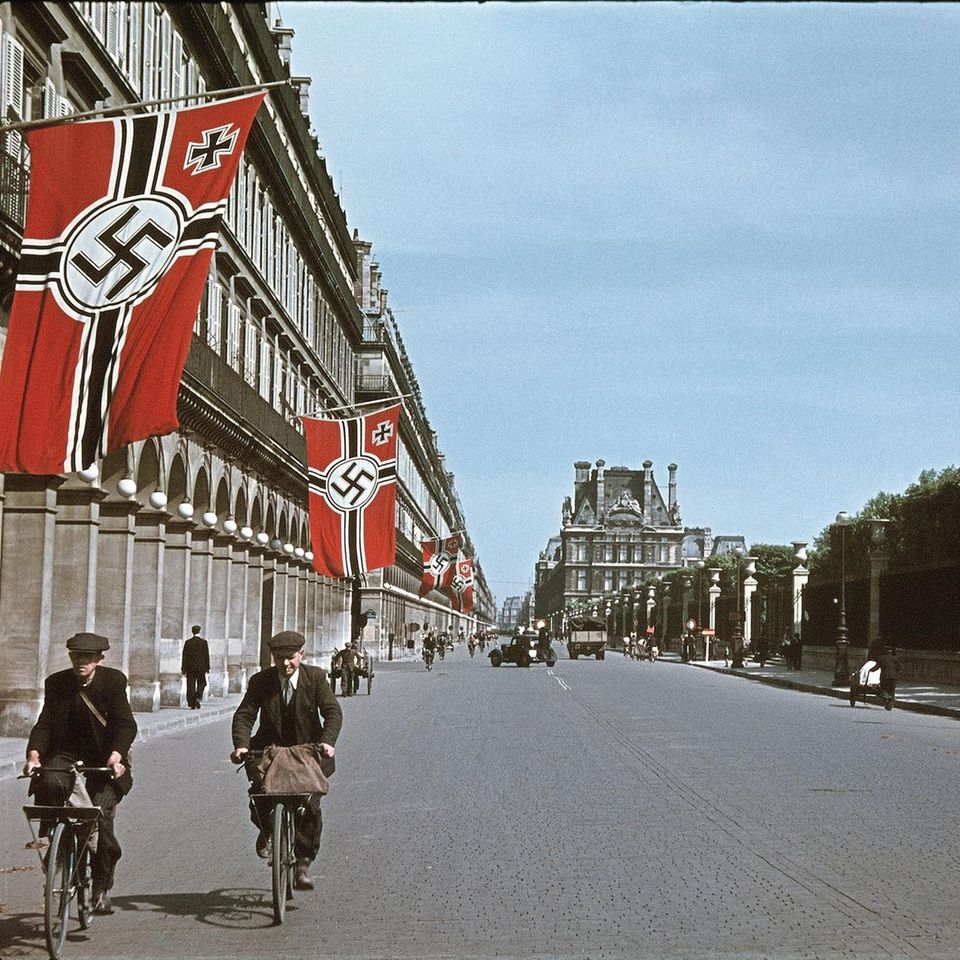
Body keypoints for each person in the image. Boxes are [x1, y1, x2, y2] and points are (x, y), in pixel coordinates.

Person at [23, 632, 137, 916]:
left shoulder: (113, 682)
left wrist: (117, 755)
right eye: (76, 656)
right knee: (50, 781)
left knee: (101, 815)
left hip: (105, 756)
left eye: (87, 657)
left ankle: (100, 888)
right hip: (67, 752)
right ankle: (57, 841)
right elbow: (44, 724)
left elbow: (125, 724)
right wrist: (34, 755)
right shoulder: (57, 683)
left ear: (99, 659)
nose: (80, 662)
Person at [230, 631, 342, 891]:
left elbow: (332, 712)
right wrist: (241, 745)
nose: (285, 663)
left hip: (308, 752)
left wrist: (327, 741)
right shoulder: (261, 681)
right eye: (279, 658)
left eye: (290, 657)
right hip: (270, 751)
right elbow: (245, 715)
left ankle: (303, 864)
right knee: (259, 797)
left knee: (310, 806)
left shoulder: (315, 678)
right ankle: (267, 831)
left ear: (301, 654)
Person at [181, 624, 210, 710]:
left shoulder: (188, 642)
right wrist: (207, 667)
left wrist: (183, 668)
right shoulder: (204, 642)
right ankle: (197, 696)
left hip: (190, 668)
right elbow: (206, 656)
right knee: (202, 683)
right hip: (201, 667)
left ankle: (192, 703)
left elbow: (185, 656)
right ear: (199, 631)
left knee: (190, 685)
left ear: (192, 632)